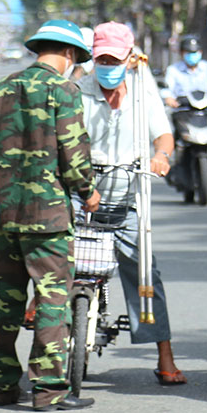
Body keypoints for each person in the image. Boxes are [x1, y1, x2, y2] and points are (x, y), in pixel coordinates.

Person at [0, 19, 101, 411]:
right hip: (48, 219)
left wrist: (11, 179)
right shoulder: (63, 90)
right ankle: (48, 389)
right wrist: (87, 190)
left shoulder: (2, 88)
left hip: (8, 213)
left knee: (5, 300)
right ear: (68, 53)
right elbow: (73, 152)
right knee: (52, 299)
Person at [78, 22, 186, 386]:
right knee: (54, 262)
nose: (108, 66)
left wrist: (161, 156)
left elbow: (163, 134)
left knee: (145, 274)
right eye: (102, 60)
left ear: (129, 58)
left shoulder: (142, 91)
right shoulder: (78, 91)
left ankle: (165, 356)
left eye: (114, 59)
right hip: (84, 197)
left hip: (128, 197)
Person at [163, 33, 207, 108]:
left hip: (205, 109)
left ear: (200, 52)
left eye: (195, 52)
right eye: (188, 52)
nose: (192, 55)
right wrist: (168, 98)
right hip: (181, 109)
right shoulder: (173, 70)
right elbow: (167, 88)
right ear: (181, 53)